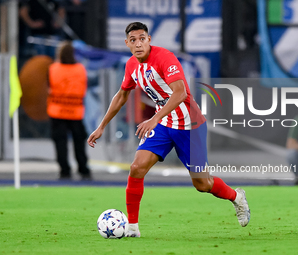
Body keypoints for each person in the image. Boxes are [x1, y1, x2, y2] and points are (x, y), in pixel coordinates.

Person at [87, 22, 250, 237]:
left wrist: (154, 119)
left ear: (149, 39)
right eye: (133, 40)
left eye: (142, 38)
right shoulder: (131, 66)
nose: (138, 44)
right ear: (127, 43)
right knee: (136, 168)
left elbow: (180, 92)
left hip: (189, 126)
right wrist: (101, 127)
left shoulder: (164, 58)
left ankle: (236, 197)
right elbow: (121, 95)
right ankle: (132, 228)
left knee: (202, 184)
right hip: (164, 126)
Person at [47, 41, 91, 180]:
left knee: (60, 143)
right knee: (79, 142)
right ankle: (83, 169)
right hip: (75, 111)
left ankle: (64, 170)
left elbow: (49, 88)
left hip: (57, 111)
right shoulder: (80, 69)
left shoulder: (53, 68)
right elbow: (84, 87)